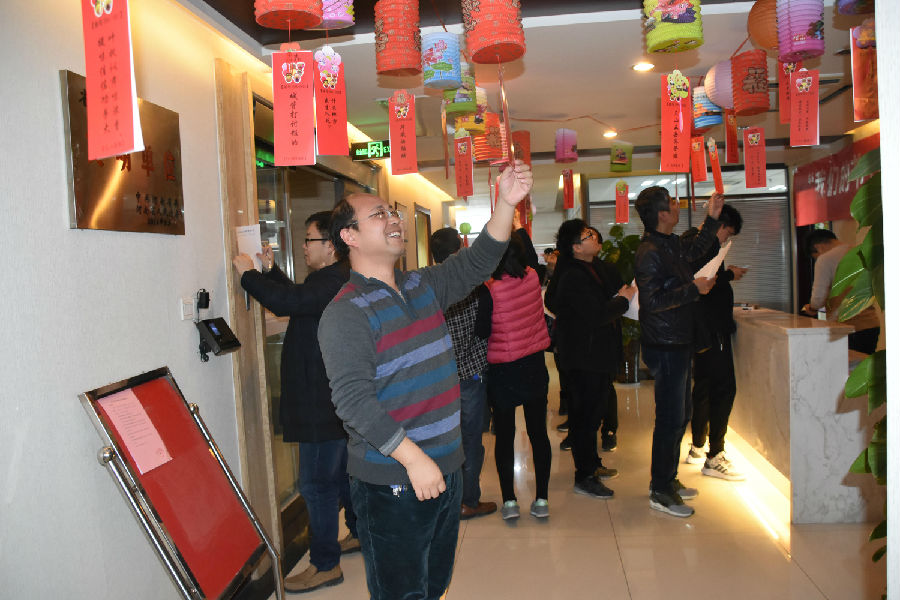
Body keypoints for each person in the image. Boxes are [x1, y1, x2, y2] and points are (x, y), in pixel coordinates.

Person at [317, 161, 533, 600]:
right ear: (349, 236)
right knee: (401, 593)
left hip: (446, 468)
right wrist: (414, 460)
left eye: (392, 211)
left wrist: (506, 203)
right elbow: (353, 402)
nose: (393, 219)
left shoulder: (421, 286)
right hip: (393, 480)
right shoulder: (346, 312)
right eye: (378, 214)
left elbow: (478, 261)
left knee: (434, 585)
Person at [231, 211, 357, 593]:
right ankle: (359, 533)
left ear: (330, 246)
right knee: (342, 476)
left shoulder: (332, 280)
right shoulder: (334, 279)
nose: (303, 247)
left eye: (309, 240)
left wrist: (248, 275)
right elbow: (300, 300)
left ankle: (325, 564)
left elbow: (288, 303)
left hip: (320, 403)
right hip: (330, 400)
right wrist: (270, 272)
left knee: (317, 485)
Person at [634, 187, 723, 518]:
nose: (677, 206)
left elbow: (697, 249)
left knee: (681, 414)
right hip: (665, 343)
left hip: (679, 338)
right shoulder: (649, 251)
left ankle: (669, 479)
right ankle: (660, 489)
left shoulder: (669, 243)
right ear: (661, 214)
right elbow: (652, 301)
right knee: (670, 418)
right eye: (672, 203)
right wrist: (693, 290)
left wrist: (711, 219)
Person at [547, 219, 634, 499]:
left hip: (597, 354)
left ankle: (593, 465)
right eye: (587, 235)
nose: (595, 236)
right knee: (584, 418)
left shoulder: (594, 267)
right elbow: (596, 314)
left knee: (593, 414)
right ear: (575, 247)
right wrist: (623, 300)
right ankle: (584, 476)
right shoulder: (573, 276)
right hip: (584, 357)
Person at [429, 227, 497, 521]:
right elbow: (482, 329)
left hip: (438, 381)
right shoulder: (468, 284)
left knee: (442, 442)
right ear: (458, 251)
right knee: (470, 441)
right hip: (469, 375)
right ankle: (467, 500)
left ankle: (443, 500)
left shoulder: (428, 285)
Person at [484, 235, 553, 519]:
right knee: (539, 434)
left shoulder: (490, 289)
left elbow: (481, 331)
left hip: (503, 370)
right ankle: (542, 500)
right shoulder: (533, 277)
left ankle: (510, 503)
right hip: (534, 364)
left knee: (505, 437)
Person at [681, 204, 747, 481]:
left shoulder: (689, 243)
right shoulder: (704, 246)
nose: (726, 239)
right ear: (721, 226)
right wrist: (729, 275)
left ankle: (698, 446)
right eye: (727, 233)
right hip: (712, 329)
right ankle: (715, 454)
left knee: (704, 387)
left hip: (701, 330)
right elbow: (703, 282)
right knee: (723, 389)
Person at [801, 229, 880, 354]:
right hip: (871, 324)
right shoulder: (860, 251)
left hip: (845, 327)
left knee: (844, 364)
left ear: (818, 247)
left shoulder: (825, 259)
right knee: (863, 362)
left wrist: (811, 308)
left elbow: (818, 298)